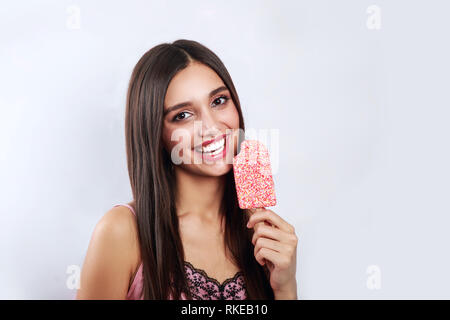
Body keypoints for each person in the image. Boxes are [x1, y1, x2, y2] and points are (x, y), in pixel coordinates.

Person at [76, 39, 298, 300]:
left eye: (218, 101)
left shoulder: (258, 232)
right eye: (183, 115)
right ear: (156, 135)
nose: (212, 127)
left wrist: (285, 287)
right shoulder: (121, 231)